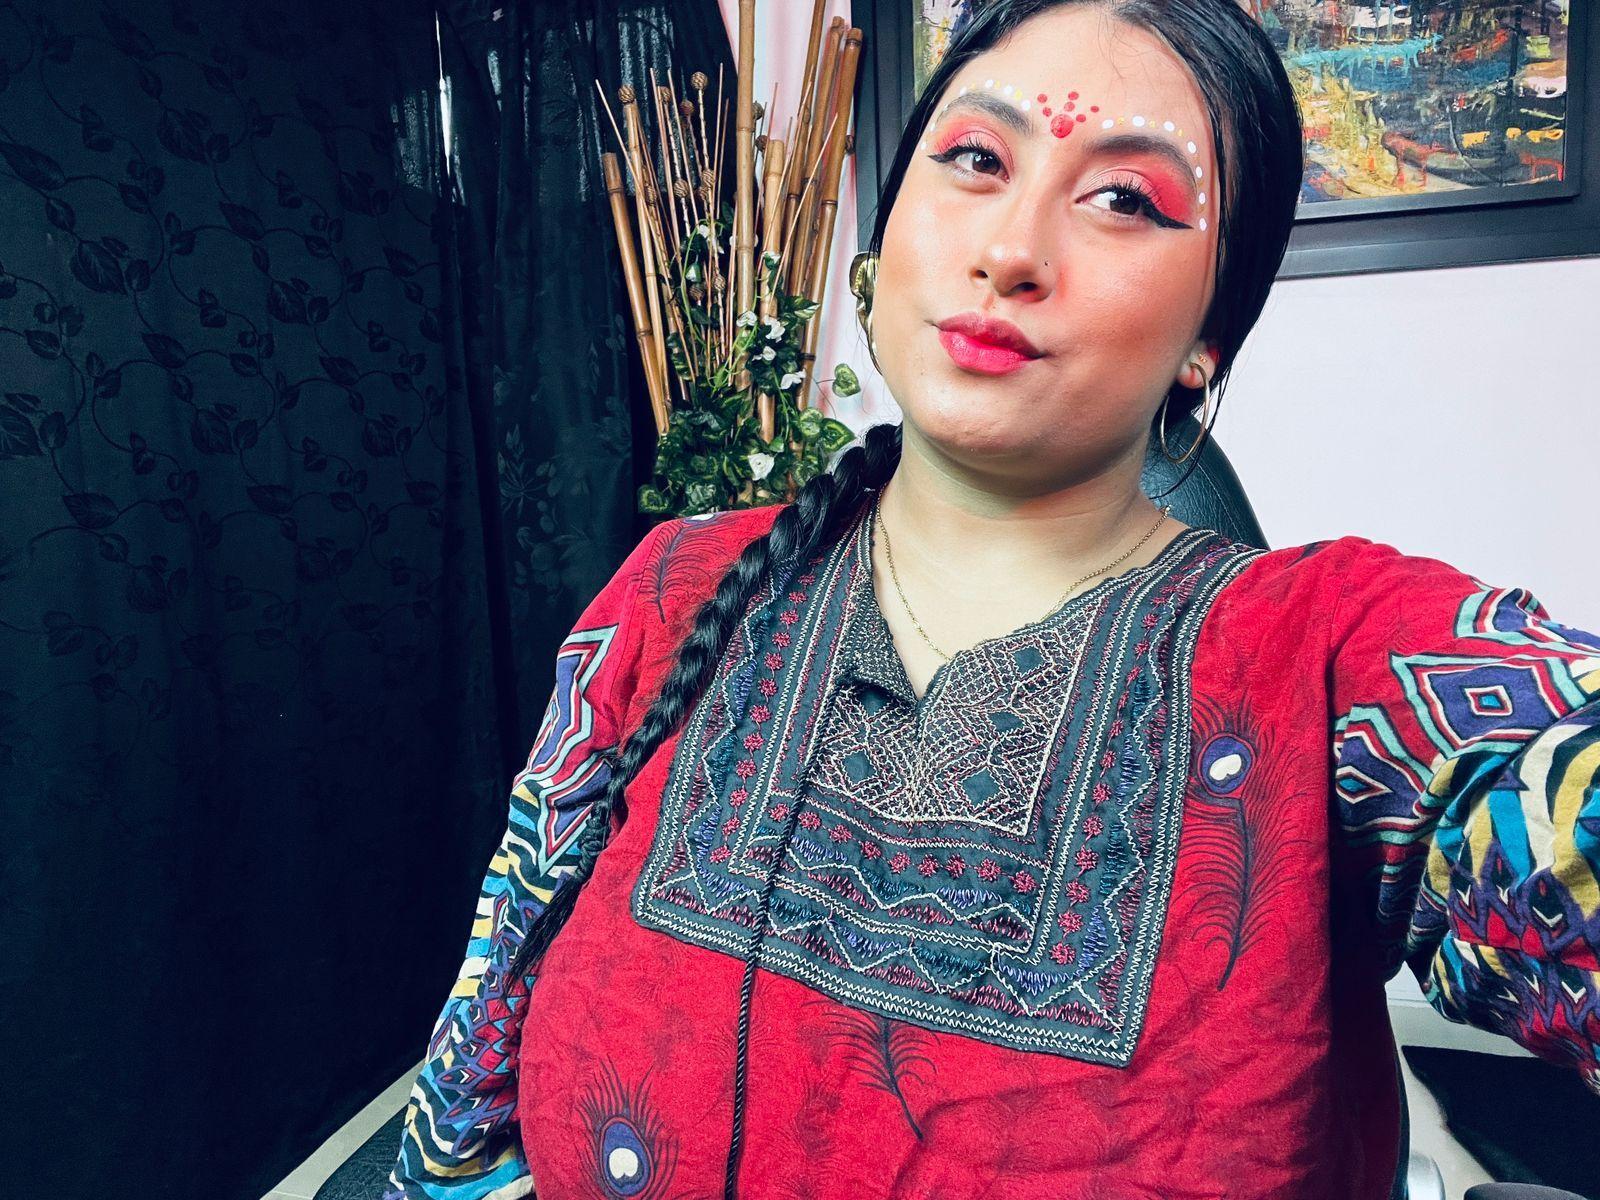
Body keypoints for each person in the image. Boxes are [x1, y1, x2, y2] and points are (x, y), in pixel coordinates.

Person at [384, 2, 1600, 1197]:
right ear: (882, 244)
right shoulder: (673, 590)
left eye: (1123, 198)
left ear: (1208, 338)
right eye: (974, 158)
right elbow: (470, 1091)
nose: (1012, 248)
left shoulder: (1334, 656)